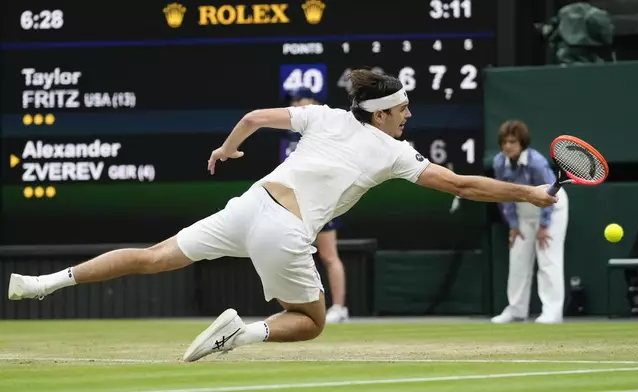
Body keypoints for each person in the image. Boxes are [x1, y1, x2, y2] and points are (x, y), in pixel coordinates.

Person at [7, 70, 558, 362]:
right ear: (382, 112)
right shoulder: (394, 152)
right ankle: (239, 335)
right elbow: (461, 183)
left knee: (152, 258)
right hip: (287, 230)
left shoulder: (319, 117)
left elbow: (250, 117)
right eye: (404, 109)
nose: (409, 115)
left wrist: (225, 151)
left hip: (249, 203)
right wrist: (530, 195)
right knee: (312, 321)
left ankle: (40, 284)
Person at [491, 120, 569, 324]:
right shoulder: (499, 162)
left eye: (512, 141)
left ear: (522, 143)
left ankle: (552, 312)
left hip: (552, 209)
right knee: (517, 259)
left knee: (548, 259)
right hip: (522, 212)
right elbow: (503, 195)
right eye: (504, 142)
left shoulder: (536, 163)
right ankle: (516, 310)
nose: (507, 146)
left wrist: (544, 226)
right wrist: (513, 225)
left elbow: (552, 193)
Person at [287, 87, 349, 324]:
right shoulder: (292, 136)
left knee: (329, 255)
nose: (298, 107)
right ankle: (299, 306)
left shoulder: (327, 129)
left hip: (323, 201)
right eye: (296, 104)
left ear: (314, 104)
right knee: (291, 254)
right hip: (296, 203)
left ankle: (340, 308)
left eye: (303, 103)